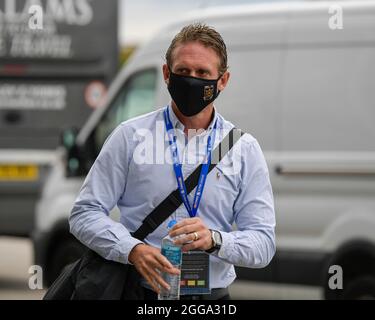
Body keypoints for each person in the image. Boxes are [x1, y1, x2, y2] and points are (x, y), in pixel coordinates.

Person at [69, 23, 276, 300]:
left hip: (211, 299)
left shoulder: (243, 148)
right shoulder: (130, 136)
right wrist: (132, 249)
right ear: (167, 74)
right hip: (139, 292)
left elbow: (263, 243)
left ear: (222, 81)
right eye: (183, 71)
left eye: (203, 73)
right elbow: (84, 213)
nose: (192, 79)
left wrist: (216, 240)